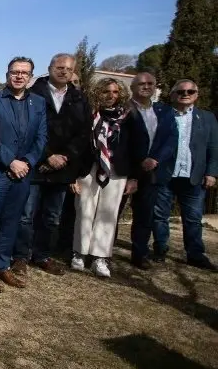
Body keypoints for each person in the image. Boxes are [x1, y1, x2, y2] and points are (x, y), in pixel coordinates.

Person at [0, 57, 47, 292]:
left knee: (11, 220)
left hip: (24, 172)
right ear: (7, 74)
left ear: (31, 77)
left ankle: (2, 264)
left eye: (24, 73)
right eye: (15, 72)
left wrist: (27, 162)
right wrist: (10, 161)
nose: (19, 76)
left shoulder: (38, 103)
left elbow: (41, 137)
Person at [13, 53, 91, 276]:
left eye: (68, 68)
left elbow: (83, 133)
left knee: (51, 217)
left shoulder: (79, 98)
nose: (63, 71)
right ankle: (20, 256)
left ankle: (42, 255)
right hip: (36, 165)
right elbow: (29, 129)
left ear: (73, 71)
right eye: (59, 67)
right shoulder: (33, 93)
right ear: (49, 68)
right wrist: (47, 156)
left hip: (62, 169)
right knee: (26, 215)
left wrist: (64, 157)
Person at [69, 78, 137, 277]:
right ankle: (79, 253)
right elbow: (77, 146)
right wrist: (73, 176)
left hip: (116, 171)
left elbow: (136, 149)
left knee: (108, 214)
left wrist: (133, 177)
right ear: (98, 93)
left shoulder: (128, 118)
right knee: (84, 210)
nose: (111, 95)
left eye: (115, 92)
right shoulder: (88, 115)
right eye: (106, 91)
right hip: (88, 169)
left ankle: (100, 258)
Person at [152, 79, 218, 271]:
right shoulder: (161, 114)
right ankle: (160, 250)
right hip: (165, 174)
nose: (185, 94)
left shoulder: (207, 118)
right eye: (180, 91)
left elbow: (214, 148)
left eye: (190, 91)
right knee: (159, 216)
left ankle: (195, 254)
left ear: (196, 95)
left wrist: (212, 173)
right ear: (172, 95)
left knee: (193, 218)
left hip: (193, 176)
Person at [127, 72, 177, 270]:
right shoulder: (124, 109)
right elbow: (122, 142)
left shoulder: (165, 111)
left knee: (144, 215)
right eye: (141, 83)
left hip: (152, 171)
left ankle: (139, 254)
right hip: (127, 169)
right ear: (132, 87)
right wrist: (139, 161)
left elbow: (171, 139)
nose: (146, 87)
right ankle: (104, 253)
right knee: (111, 213)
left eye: (150, 84)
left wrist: (155, 159)